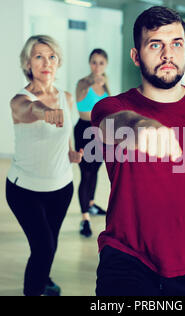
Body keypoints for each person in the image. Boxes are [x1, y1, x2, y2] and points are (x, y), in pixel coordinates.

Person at [92, 6, 185, 296]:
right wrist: (142, 126)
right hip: (126, 257)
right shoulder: (112, 108)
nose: (168, 54)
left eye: (177, 44)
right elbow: (112, 125)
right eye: (155, 44)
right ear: (136, 56)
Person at [6, 35, 83, 296]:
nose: (46, 62)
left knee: (50, 241)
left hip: (61, 187)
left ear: (58, 61)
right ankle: (34, 290)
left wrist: (72, 153)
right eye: (38, 56)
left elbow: (67, 133)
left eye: (51, 56)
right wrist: (45, 112)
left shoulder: (68, 98)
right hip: (24, 189)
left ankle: (44, 278)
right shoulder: (19, 100)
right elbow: (31, 109)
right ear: (28, 63)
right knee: (44, 247)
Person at [75, 49, 110, 238]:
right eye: (94, 62)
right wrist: (91, 83)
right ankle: (85, 218)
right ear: (89, 63)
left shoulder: (106, 83)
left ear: (106, 65)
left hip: (100, 133)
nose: (97, 66)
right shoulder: (83, 83)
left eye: (101, 63)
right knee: (86, 174)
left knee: (95, 170)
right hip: (84, 130)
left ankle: (91, 204)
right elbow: (80, 102)